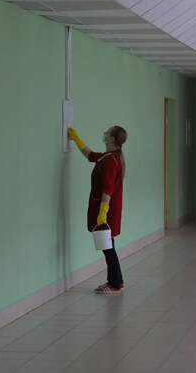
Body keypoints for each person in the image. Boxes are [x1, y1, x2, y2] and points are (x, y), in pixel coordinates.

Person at [68, 125, 127, 294]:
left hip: (106, 210)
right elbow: (91, 155)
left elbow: (107, 189)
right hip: (107, 208)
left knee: (108, 247)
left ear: (112, 139)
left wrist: (102, 213)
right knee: (108, 246)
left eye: (108, 132)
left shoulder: (110, 161)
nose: (105, 134)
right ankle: (114, 281)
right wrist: (76, 139)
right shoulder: (109, 157)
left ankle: (116, 284)